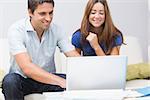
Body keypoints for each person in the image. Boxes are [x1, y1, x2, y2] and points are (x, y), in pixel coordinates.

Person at [2, 0, 80, 100]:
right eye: (42, 14)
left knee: (74, 80)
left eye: (51, 13)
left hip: (47, 80)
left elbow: (74, 57)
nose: (48, 18)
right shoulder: (16, 30)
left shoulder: (57, 30)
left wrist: (87, 72)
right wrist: (60, 81)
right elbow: (27, 68)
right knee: (10, 81)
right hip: (24, 80)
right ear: (30, 12)